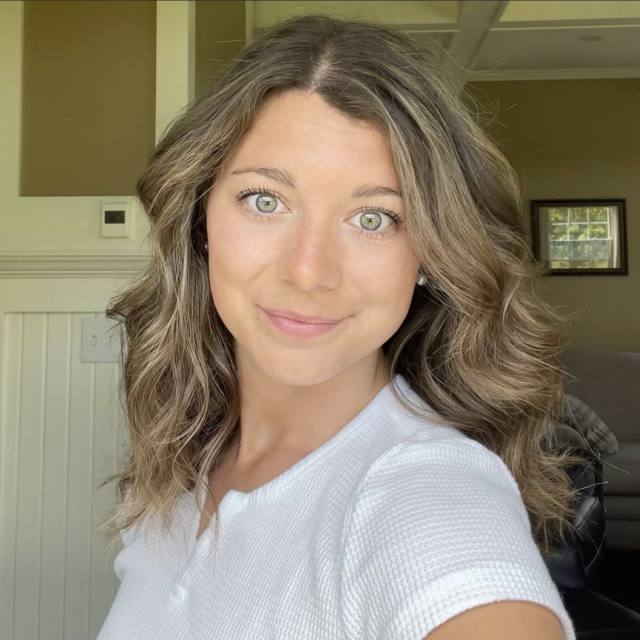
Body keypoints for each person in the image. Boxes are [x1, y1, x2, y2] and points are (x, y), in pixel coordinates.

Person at [96, 13, 585, 640]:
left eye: (374, 218)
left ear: (430, 253)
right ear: (199, 219)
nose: (309, 272)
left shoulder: (428, 492)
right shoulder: (183, 469)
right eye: (265, 201)